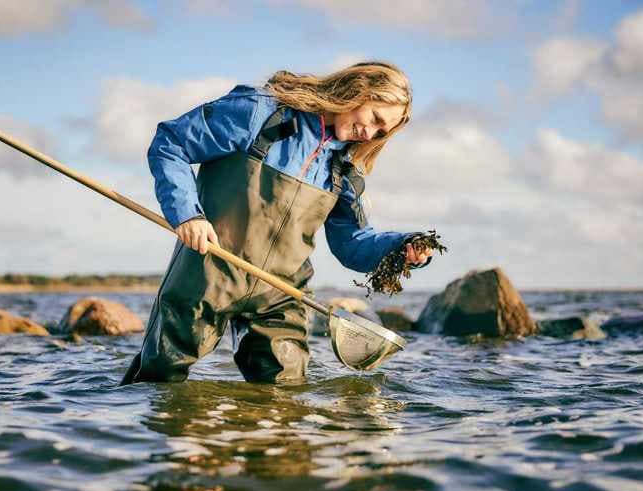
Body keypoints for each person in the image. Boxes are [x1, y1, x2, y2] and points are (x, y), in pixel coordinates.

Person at [121, 61, 433, 385]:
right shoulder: (258, 112)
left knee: (285, 403)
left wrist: (400, 246)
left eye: (380, 132)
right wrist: (187, 214)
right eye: (374, 119)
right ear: (358, 91)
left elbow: (351, 243)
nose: (369, 134)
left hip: (281, 295)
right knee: (157, 384)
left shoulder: (344, 172)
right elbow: (171, 144)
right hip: (208, 276)